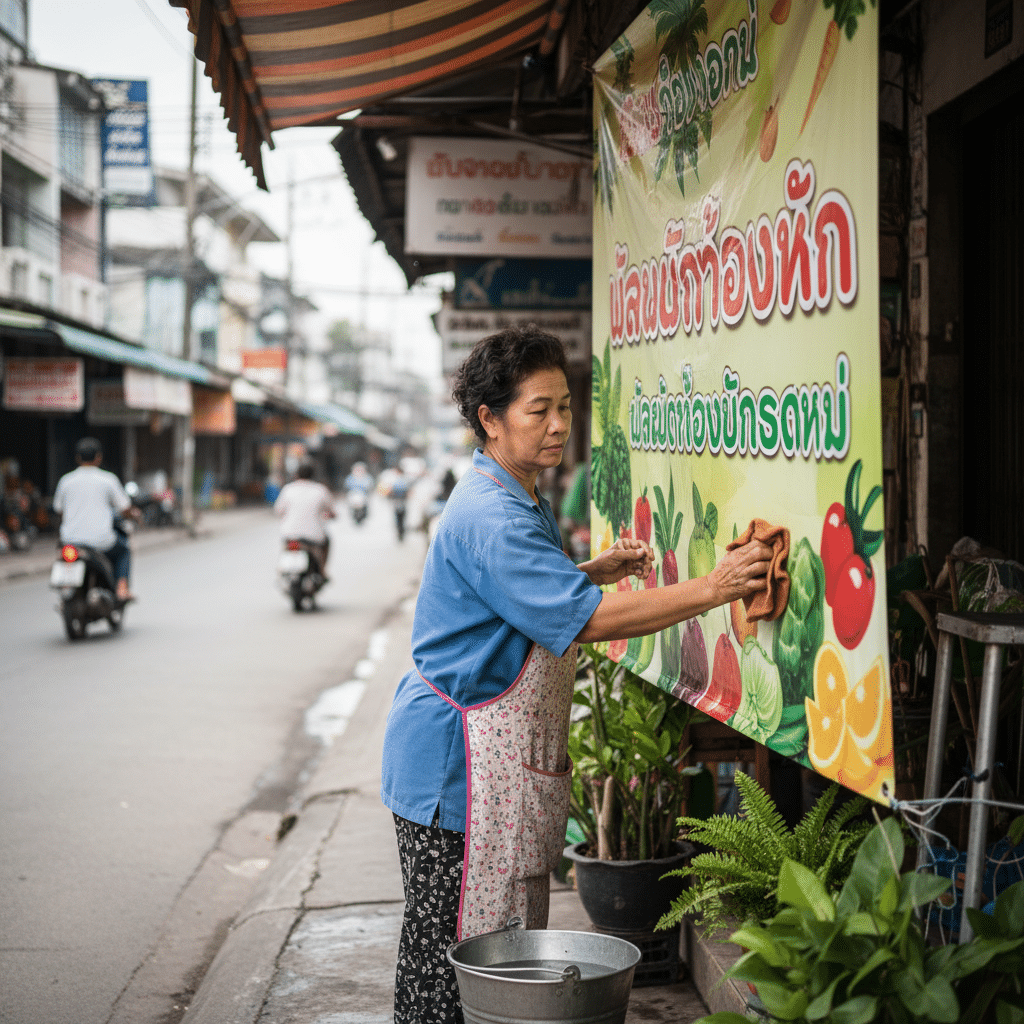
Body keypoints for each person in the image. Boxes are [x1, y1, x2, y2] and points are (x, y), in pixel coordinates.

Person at [379, 325, 773, 1024]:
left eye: (565, 406)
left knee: (492, 951)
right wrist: (717, 587)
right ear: (490, 420)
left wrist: (590, 572)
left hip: (494, 769)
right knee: (454, 962)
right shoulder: (493, 513)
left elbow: (518, 603)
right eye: (539, 410)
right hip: (456, 771)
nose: (561, 425)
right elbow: (584, 621)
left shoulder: (517, 493)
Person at [52, 437, 139, 601]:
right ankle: (121, 588)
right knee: (124, 551)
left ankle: (66, 586)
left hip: (70, 541)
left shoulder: (66, 481)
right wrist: (133, 515)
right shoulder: (108, 480)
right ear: (98, 457)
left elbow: (59, 510)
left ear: (78, 458)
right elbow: (125, 508)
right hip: (101, 542)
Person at [273, 463, 336, 574]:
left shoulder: (288, 489)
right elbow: (331, 511)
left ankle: (281, 570)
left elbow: (278, 510)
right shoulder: (320, 490)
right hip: (313, 536)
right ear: (313, 475)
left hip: (289, 534)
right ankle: (322, 571)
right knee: (327, 541)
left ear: (296, 474)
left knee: (284, 547)